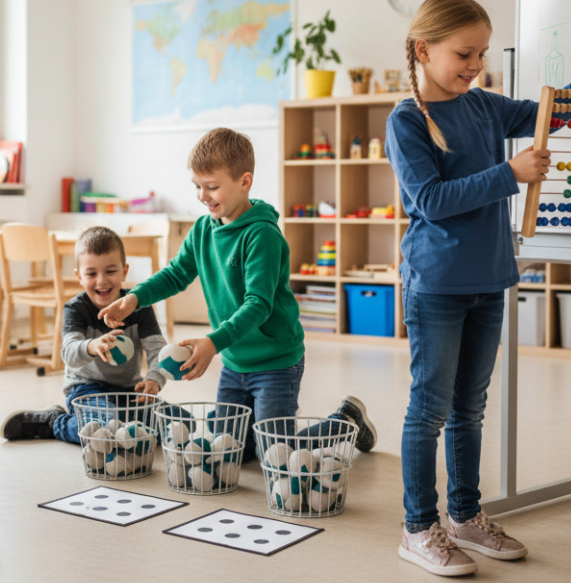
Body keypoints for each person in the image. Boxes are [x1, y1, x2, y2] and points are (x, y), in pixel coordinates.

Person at [386, 0, 571, 577]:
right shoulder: (406, 120)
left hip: (489, 279)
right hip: (437, 284)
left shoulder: (482, 106)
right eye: (463, 53)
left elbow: (552, 111)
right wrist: (509, 173)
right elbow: (428, 201)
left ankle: (464, 517)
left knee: (469, 409)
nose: (474, 64)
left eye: (479, 53)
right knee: (429, 409)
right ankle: (417, 528)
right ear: (423, 50)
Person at [97, 127, 378, 459]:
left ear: (244, 182)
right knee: (225, 449)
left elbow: (258, 305)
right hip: (235, 361)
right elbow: (176, 274)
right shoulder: (203, 229)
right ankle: (269, 433)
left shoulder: (262, 236)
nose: (203, 196)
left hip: (275, 363)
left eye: (212, 187)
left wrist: (213, 342)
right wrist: (135, 297)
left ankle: (345, 421)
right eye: (197, 187)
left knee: (275, 454)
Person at [0, 226, 169, 442]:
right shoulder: (75, 309)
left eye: (110, 271)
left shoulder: (138, 306)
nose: (101, 281)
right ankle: (54, 421)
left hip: (129, 391)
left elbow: (157, 350)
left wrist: (154, 379)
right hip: (87, 389)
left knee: (174, 421)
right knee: (103, 430)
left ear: (124, 271)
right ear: (79, 276)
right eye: (91, 274)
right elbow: (68, 352)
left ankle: (124, 428)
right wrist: (91, 346)